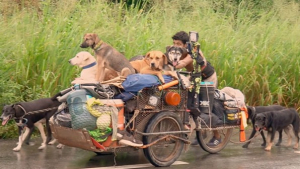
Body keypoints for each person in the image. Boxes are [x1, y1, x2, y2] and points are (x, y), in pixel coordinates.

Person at [170, 31, 221, 147]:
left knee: (206, 107)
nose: (175, 46)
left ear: (185, 44)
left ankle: (217, 136)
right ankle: (200, 134)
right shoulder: (175, 52)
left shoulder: (192, 51)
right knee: (188, 103)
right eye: (174, 43)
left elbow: (181, 64)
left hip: (207, 78)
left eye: (178, 44)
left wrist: (171, 64)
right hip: (194, 76)